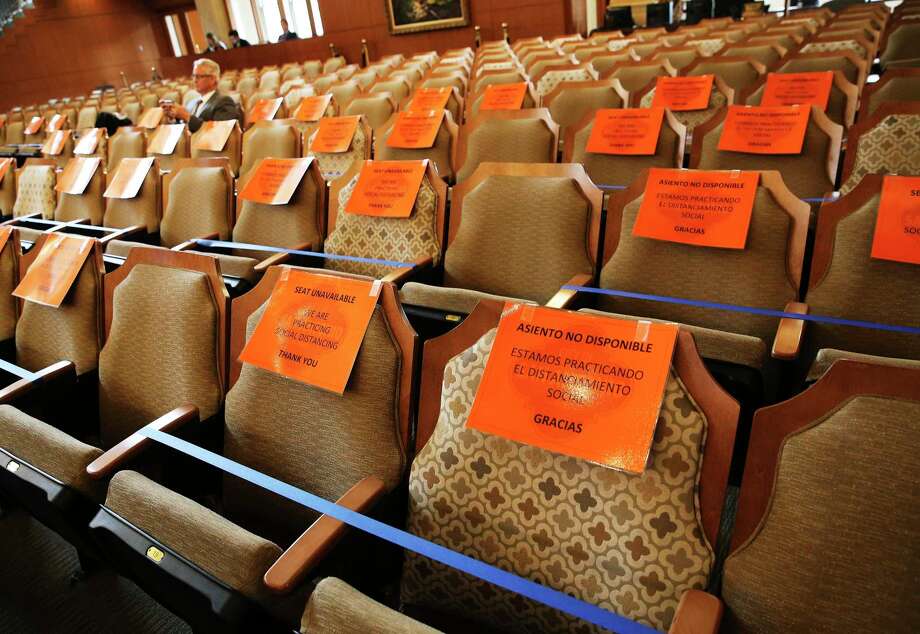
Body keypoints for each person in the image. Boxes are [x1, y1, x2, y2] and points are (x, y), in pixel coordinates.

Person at [160, 58, 242, 133]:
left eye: (199, 76)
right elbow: (185, 130)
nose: (195, 80)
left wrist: (187, 117)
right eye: (194, 76)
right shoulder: (192, 103)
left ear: (213, 79)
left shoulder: (223, 101)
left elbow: (219, 133)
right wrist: (174, 117)